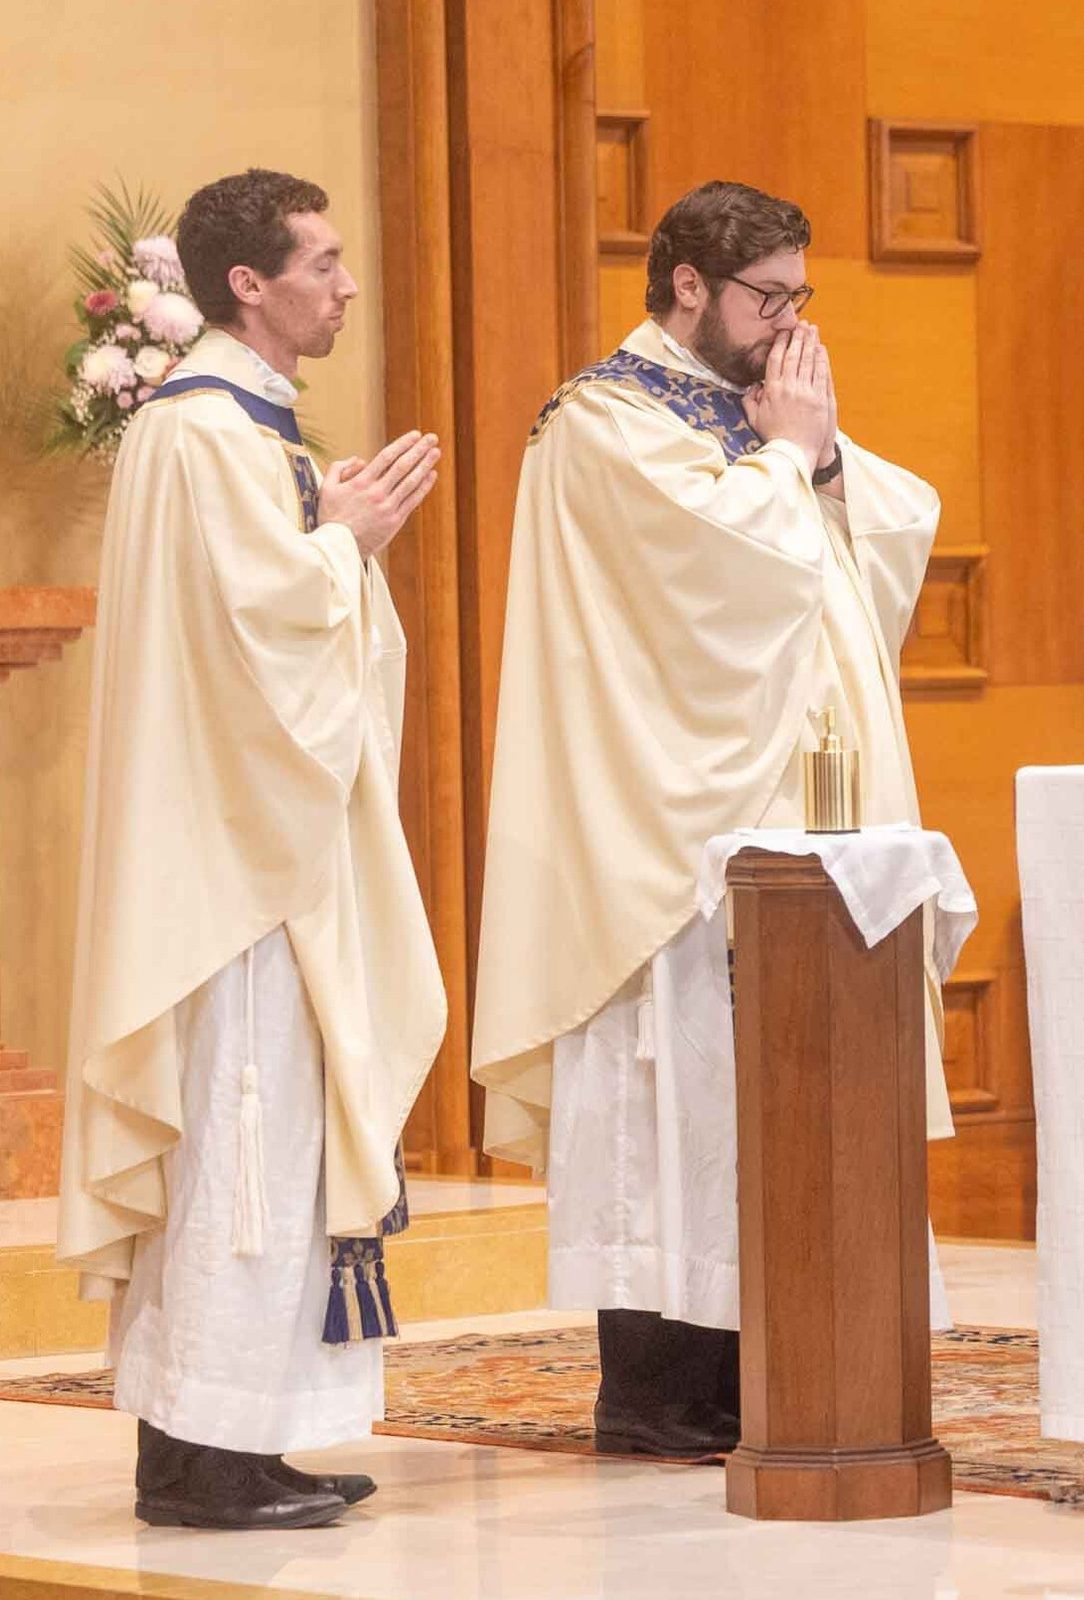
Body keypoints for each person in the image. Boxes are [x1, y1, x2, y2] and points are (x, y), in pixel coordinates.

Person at [471, 180, 953, 1459]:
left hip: (794, 820)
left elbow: (868, 539)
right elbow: (718, 576)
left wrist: (826, 455)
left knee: (778, 1109)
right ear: (686, 283)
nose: (790, 323)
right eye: (768, 297)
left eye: (801, 294)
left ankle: (779, 1367)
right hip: (670, 835)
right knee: (676, 1106)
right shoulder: (604, 420)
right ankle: (658, 1392)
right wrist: (790, 455)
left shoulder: (748, 410)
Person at [56, 168, 447, 1530]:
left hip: (259, 839)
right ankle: (206, 1456)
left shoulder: (237, 427)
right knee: (245, 1138)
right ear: (248, 284)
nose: (344, 285)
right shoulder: (207, 430)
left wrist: (340, 545)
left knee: (265, 1143)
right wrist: (344, 546)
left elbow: (284, 617)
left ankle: (232, 1437)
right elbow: (252, 644)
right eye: (324, 262)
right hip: (237, 866)